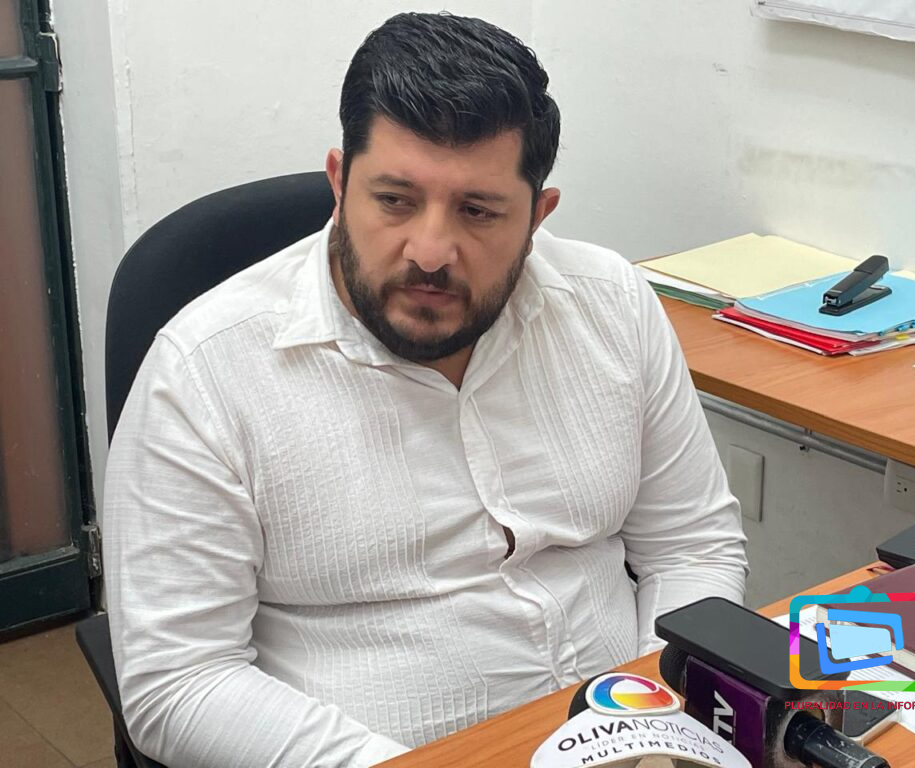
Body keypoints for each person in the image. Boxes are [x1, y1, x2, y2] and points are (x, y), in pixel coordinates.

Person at [104, 11, 747, 768]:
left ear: (537, 216)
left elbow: (691, 545)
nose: (432, 250)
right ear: (339, 183)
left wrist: (657, 726)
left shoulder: (610, 302)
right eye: (395, 200)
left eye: (478, 212)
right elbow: (179, 682)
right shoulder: (205, 372)